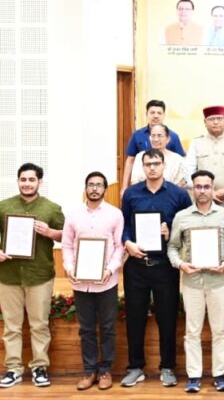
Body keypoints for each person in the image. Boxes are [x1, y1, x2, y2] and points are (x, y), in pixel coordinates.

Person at [120, 149, 193, 388]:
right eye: (148, 164)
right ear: (142, 167)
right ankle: (135, 367)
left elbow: (187, 228)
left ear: (164, 165)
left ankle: (167, 367)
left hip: (165, 266)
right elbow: (124, 224)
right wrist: (127, 242)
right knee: (135, 317)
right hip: (136, 266)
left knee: (167, 317)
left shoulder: (178, 195)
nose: (152, 167)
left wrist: (170, 232)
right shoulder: (131, 193)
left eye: (156, 163)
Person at [167, 170, 224, 393]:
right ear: (192, 189)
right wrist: (181, 264)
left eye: (207, 186)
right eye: (198, 186)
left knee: (220, 330)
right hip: (192, 282)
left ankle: (220, 374)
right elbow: (172, 247)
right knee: (192, 331)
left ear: (212, 188)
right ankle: (194, 376)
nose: (203, 191)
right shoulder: (182, 217)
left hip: (218, 282)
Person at [0, 163, 64, 389]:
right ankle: (13, 369)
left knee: (39, 325)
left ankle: (39, 368)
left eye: (31, 179)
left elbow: (66, 236)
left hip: (40, 276)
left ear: (40, 182)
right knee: (11, 326)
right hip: (8, 276)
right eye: (23, 179)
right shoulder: (3, 207)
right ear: (18, 181)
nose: (27, 183)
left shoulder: (52, 208)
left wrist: (50, 232)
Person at [61, 172, 123, 391]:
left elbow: (119, 247)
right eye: (91, 185)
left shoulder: (115, 214)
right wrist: (69, 268)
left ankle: (105, 370)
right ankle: (89, 371)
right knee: (86, 329)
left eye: (99, 185)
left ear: (105, 189)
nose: (94, 188)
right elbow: (67, 245)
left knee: (107, 328)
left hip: (106, 281)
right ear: (85, 188)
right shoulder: (73, 214)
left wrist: (110, 269)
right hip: (81, 283)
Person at [184, 105, 224, 220]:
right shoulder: (196, 143)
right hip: (202, 204)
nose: (216, 122)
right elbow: (188, 172)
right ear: (205, 122)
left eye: (219, 118)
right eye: (211, 119)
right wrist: (208, 193)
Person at [121, 99, 185, 196]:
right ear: (147, 114)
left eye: (159, 113)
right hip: (143, 185)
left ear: (164, 115)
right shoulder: (137, 135)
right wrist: (124, 187)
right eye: (152, 112)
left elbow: (180, 163)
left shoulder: (173, 136)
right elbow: (130, 161)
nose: (156, 116)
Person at [130, 123, 188, 187]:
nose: (156, 139)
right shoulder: (140, 156)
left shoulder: (177, 159)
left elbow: (180, 184)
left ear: (168, 139)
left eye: (160, 136)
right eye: (153, 136)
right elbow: (134, 182)